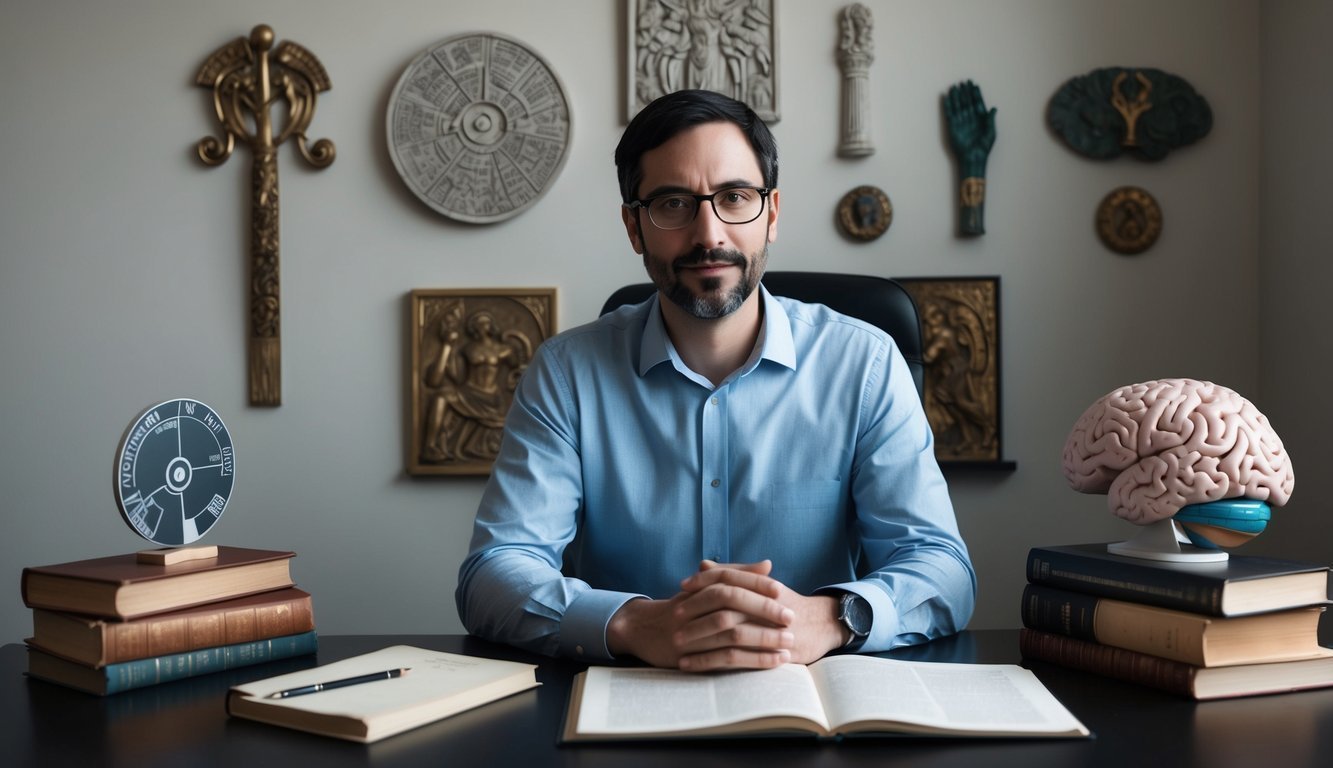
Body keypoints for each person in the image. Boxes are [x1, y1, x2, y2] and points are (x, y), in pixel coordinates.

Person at [456, 89, 975, 672]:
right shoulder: (566, 374)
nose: (709, 234)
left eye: (734, 197)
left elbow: (941, 569)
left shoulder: (865, 365)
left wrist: (830, 619)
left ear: (771, 213)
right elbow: (493, 572)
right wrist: (635, 622)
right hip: (628, 702)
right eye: (674, 203)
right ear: (634, 227)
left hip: (813, 700)